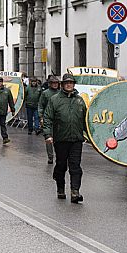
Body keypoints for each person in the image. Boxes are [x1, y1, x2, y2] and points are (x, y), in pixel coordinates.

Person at [43, 73, 86, 203]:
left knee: (75, 166)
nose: (69, 85)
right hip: (61, 139)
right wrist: (48, 135)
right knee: (61, 165)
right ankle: (60, 188)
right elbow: (48, 118)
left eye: (71, 83)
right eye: (66, 83)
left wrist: (89, 135)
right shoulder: (55, 100)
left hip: (76, 139)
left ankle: (75, 192)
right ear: (62, 85)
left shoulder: (79, 100)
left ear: (74, 85)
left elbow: (86, 120)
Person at [38, 75, 60, 164]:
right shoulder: (45, 93)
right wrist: (41, 117)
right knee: (48, 138)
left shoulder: (61, 93)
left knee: (59, 140)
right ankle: (50, 157)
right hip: (48, 118)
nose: (55, 85)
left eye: (56, 83)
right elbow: (40, 105)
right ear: (50, 84)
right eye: (53, 83)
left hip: (58, 119)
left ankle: (59, 156)